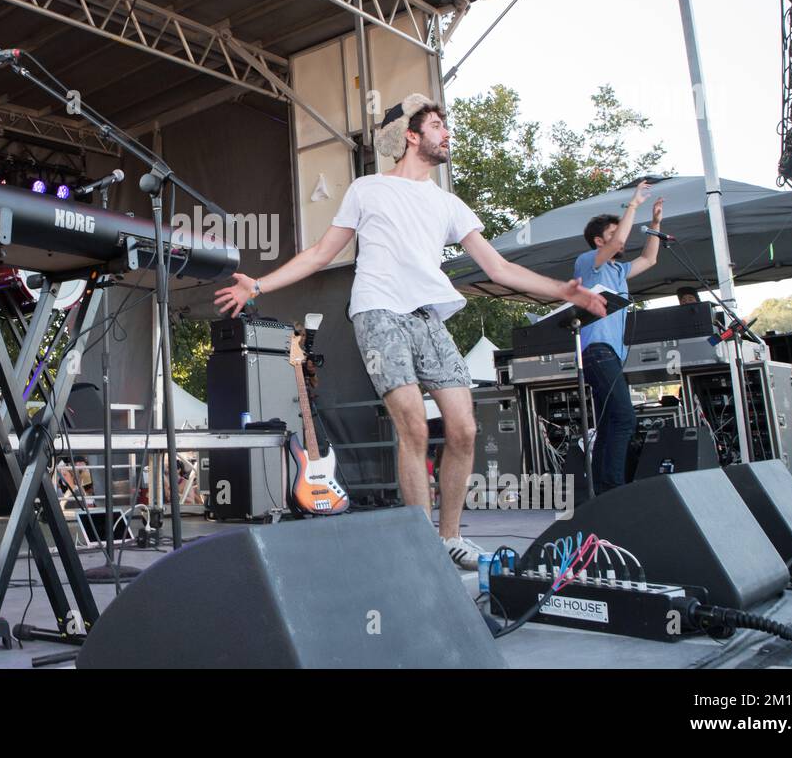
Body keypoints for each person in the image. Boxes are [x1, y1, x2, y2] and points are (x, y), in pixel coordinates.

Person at [215, 93, 606, 569]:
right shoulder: (368, 189)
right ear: (412, 136)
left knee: (464, 428)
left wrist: (563, 290)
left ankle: (450, 538)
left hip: (427, 317)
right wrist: (258, 284)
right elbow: (320, 254)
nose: (447, 133)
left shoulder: (448, 204)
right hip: (378, 311)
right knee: (414, 426)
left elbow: (499, 268)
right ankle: (423, 546)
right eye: (438, 125)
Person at [574, 183, 664, 494]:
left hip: (610, 354)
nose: (620, 238)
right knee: (624, 418)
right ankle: (613, 488)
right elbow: (621, 241)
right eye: (612, 233)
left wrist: (655, 224)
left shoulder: (618, 270)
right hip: (597, 351)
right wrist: (633, 205)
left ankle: (600, 491)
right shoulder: (589, 261)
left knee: (612, 421)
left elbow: (649, 259)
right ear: (599, 241)